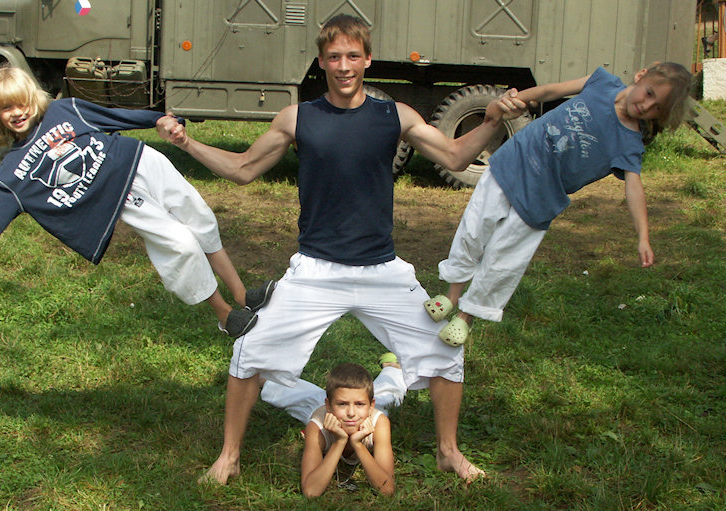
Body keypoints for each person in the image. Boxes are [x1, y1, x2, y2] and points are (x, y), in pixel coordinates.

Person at [156, 14, 528, 484]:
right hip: (316, 270)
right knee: (249, 352)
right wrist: (187, 141)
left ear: (368, 59)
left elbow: (455, 157)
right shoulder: (299, 117)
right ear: (321, 61)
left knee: (445, 352)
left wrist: (492, 120)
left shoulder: (395, 116)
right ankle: (229, 457)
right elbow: (243, 169)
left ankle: (448, 452)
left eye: (353, 56)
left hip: (382, 270)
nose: (344, 66)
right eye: (334, 57)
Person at [0, 66, 276, 337]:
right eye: (5, 108)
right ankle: (225, 315)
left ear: (33, 98)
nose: (16, 113)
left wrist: (157, 120)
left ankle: (241, 294)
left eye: (20, 103)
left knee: (199, 216)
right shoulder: (14, 172)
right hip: (124, 199)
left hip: (142, 161)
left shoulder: (64, 110)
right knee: (181, 245)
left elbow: (113, 115)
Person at [424, 62, 693, 346]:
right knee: (473, 231)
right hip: (513, 163)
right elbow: (551, 90)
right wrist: (517, 99)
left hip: (542, 198)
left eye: (656, 109)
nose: (646, 106)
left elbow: (634, 188)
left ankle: (465, 317)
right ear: (641, 76)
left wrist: (643, 237)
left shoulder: (629, 143)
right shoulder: (603, 82)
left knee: (503, 261)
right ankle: (451, 296)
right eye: (649, 94)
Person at [261, 353, 405, 497]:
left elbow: (387, 489)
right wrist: (339, 442)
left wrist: (358, 445)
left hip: (354, 408)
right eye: (342, 404)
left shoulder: (378, 423)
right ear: (328, 405)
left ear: (371, 406)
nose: (351, 413)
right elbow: (311, 491)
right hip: (322, 409)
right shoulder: (317, 427)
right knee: (290, 391)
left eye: (360, 404)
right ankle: (256, 375)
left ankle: (392, 367)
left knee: (389, 395)